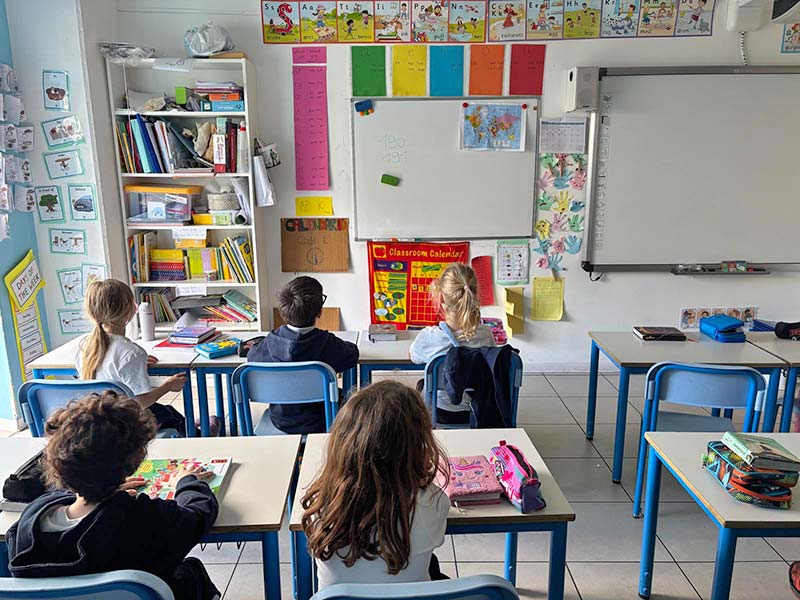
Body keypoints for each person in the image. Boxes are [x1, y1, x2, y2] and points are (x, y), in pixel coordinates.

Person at [6, 392, 220, 600]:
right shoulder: (142, 518)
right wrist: (186, 481)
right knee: (190, 572)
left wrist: (102, 488)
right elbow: (199, 514)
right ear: (133, 461)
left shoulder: (28, 523)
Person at [301, 381, 450, 587]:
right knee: (431, 565)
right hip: (412, 593)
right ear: (417, 447)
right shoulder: (434, 502)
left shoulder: (320, 505)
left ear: (343, 444)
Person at [77, 279, 219, 437]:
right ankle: (199, 434)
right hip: (126, 421)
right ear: (128, 310)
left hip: (98, 421)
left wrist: (136, 364)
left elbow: (113, 368)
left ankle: (188, 424)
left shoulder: (85, 346)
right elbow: (141, 402)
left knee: (166, 411)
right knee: (167, 413)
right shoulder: (131, 353)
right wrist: (168, 386)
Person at [247, 276, 358, 434]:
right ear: (319, 312)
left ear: (283, 311)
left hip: (280, 420)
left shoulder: (268, 344)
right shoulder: (327, 343)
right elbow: (352, 354)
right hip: (324, 419)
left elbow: (251, 356)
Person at [409, 262, 495, 425]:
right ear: (474, 295)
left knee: (422, 384)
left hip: (438, 411)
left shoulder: (429, 337)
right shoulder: (486, 334)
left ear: (441, 298)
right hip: (476, 409)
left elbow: (413, 357)